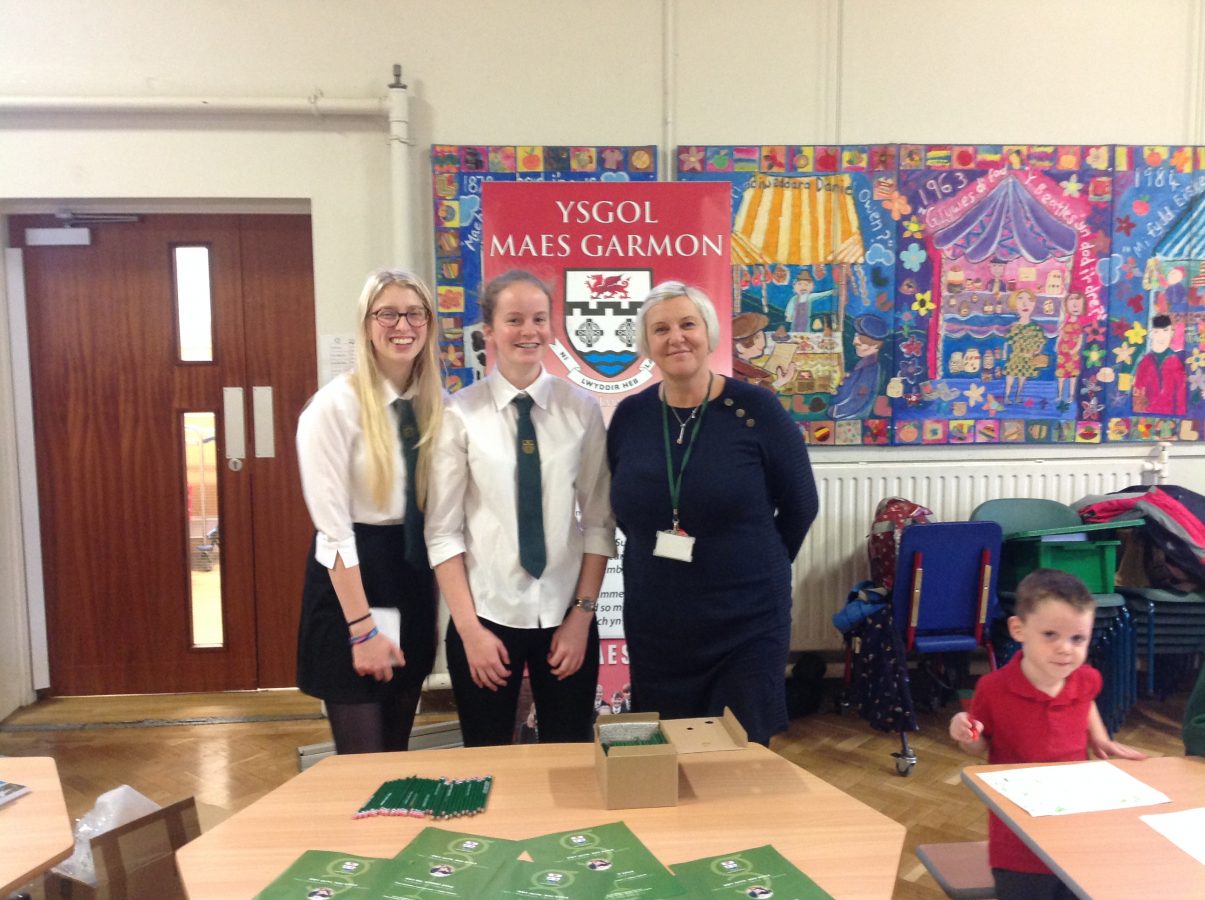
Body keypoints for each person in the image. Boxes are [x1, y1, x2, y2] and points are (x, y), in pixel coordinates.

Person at [607, 282, 819, 746]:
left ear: (709, 333)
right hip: (657, 620)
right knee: (667, 749)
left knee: (738, 752)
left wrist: (760, 565)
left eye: (688, 324)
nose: (676, 338)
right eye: (660, 329)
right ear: (646, 343)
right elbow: (623, 510)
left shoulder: (757, 409)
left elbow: (801, 504)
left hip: (746, 618)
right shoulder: (630, 416)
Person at [425, 270, 616, 747]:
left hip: (566, 616)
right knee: (487, 754)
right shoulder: (459, 413)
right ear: (489, 330)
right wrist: (469, 631)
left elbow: (599, 521)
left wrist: (581, 619)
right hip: (486, 617)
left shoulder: (581, 409)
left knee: (569, 754)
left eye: (538, 319)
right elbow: (443, 532)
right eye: (513, 320)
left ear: (551, 327)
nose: (528, 331)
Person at [295, 269, 443, 754]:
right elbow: (333, 534)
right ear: (366, 324)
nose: (403, 325)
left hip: (411, 578)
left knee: (395, 754)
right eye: (388, 314)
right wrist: (363, 630)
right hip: (352, 585)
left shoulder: (435, 407)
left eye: (415, 314)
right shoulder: (332, 408)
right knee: (363, 763)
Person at [949, 569, 1147, 900]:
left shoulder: (1085, 678)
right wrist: (966, 735)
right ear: (1019, 629)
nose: (1065, 649)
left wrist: (1099, 736)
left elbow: (1086, 701)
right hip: (1018, 835)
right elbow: (978, 747)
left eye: (1077, 639)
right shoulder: (993, 689)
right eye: (1051, 635)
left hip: (1074, 822)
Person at [829, 313, 888, 420]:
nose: (855, 342)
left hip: (848, 417)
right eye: (856, 337)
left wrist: (833, 411)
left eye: (861, 339)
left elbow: (857, 401)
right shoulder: (863, 364)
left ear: (876, 344)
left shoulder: (869, 370)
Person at [1132, 314, 1186, 415]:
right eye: (1157, 331)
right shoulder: (1144, 363)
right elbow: (1138, 396)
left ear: (1172, 333)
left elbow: (1181, 398)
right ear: (1151, 334)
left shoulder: (1177, 361)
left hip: (1172, 417)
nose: (1161, 336)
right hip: (1148, 417)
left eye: (1165, 330)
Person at [1001, 288, 1047, 404]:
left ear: (1033, 304)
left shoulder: (1035, 327)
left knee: (1022, 378)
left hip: (1028, 359)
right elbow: (1008, 341)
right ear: (1014, 304)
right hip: (1015, 358)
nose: (1025, 303)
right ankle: (1007, 396)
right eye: (1020, 299)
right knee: (1010, 378)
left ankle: (1018, 396)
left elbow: (1041, 341)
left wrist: (1037, 351)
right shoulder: (1015, 326)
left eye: (1029, 299)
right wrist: (1005, 354)